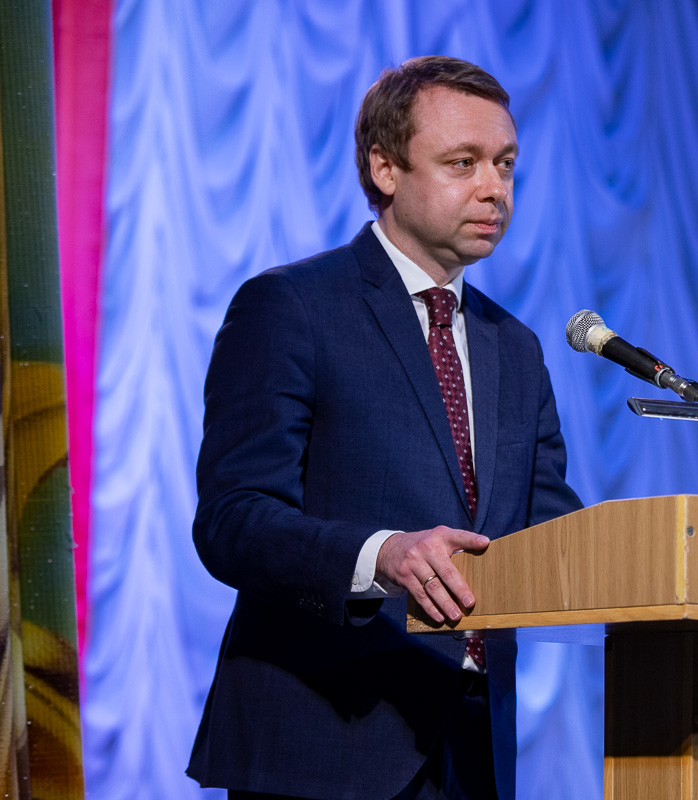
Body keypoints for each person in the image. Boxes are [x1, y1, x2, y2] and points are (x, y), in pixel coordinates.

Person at [187, 56, 582, 800]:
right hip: (321, 745)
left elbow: (553, 533)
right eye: (463, 163)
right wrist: (381, 555)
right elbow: (233, 520)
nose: (494, 188)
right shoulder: (292, 307)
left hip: (471, 749)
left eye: (504, 164)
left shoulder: (515, 346)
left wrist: (667, 560)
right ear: (385, 168)